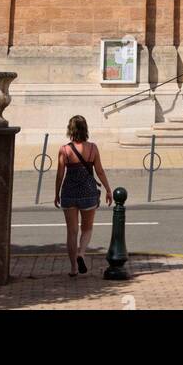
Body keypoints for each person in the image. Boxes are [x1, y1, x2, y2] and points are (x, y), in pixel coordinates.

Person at [54, 115, 112, 277]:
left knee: (71, 232)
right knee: (87, 228)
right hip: (88, 192)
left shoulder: (64, 150)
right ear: (85, 129)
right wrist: (108, 189)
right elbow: (99, 171)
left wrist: (56, 193)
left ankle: (73, 268)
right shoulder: (93, 148)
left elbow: (59, 175)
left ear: (70, 130)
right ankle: (81, 253)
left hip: (69, 193)